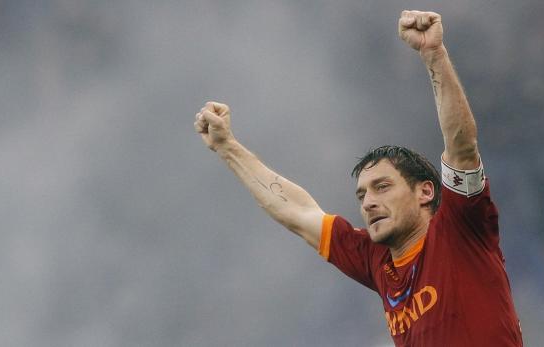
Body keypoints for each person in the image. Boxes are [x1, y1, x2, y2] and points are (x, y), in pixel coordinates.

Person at [193, 10, 523, 346]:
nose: (369, 202)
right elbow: (297, 212)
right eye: (362, 195)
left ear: (425, 191)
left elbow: (462, 146)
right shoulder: (375, 259)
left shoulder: (461, 227)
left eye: (382, 187)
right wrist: (228, 148)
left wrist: (433, 55)